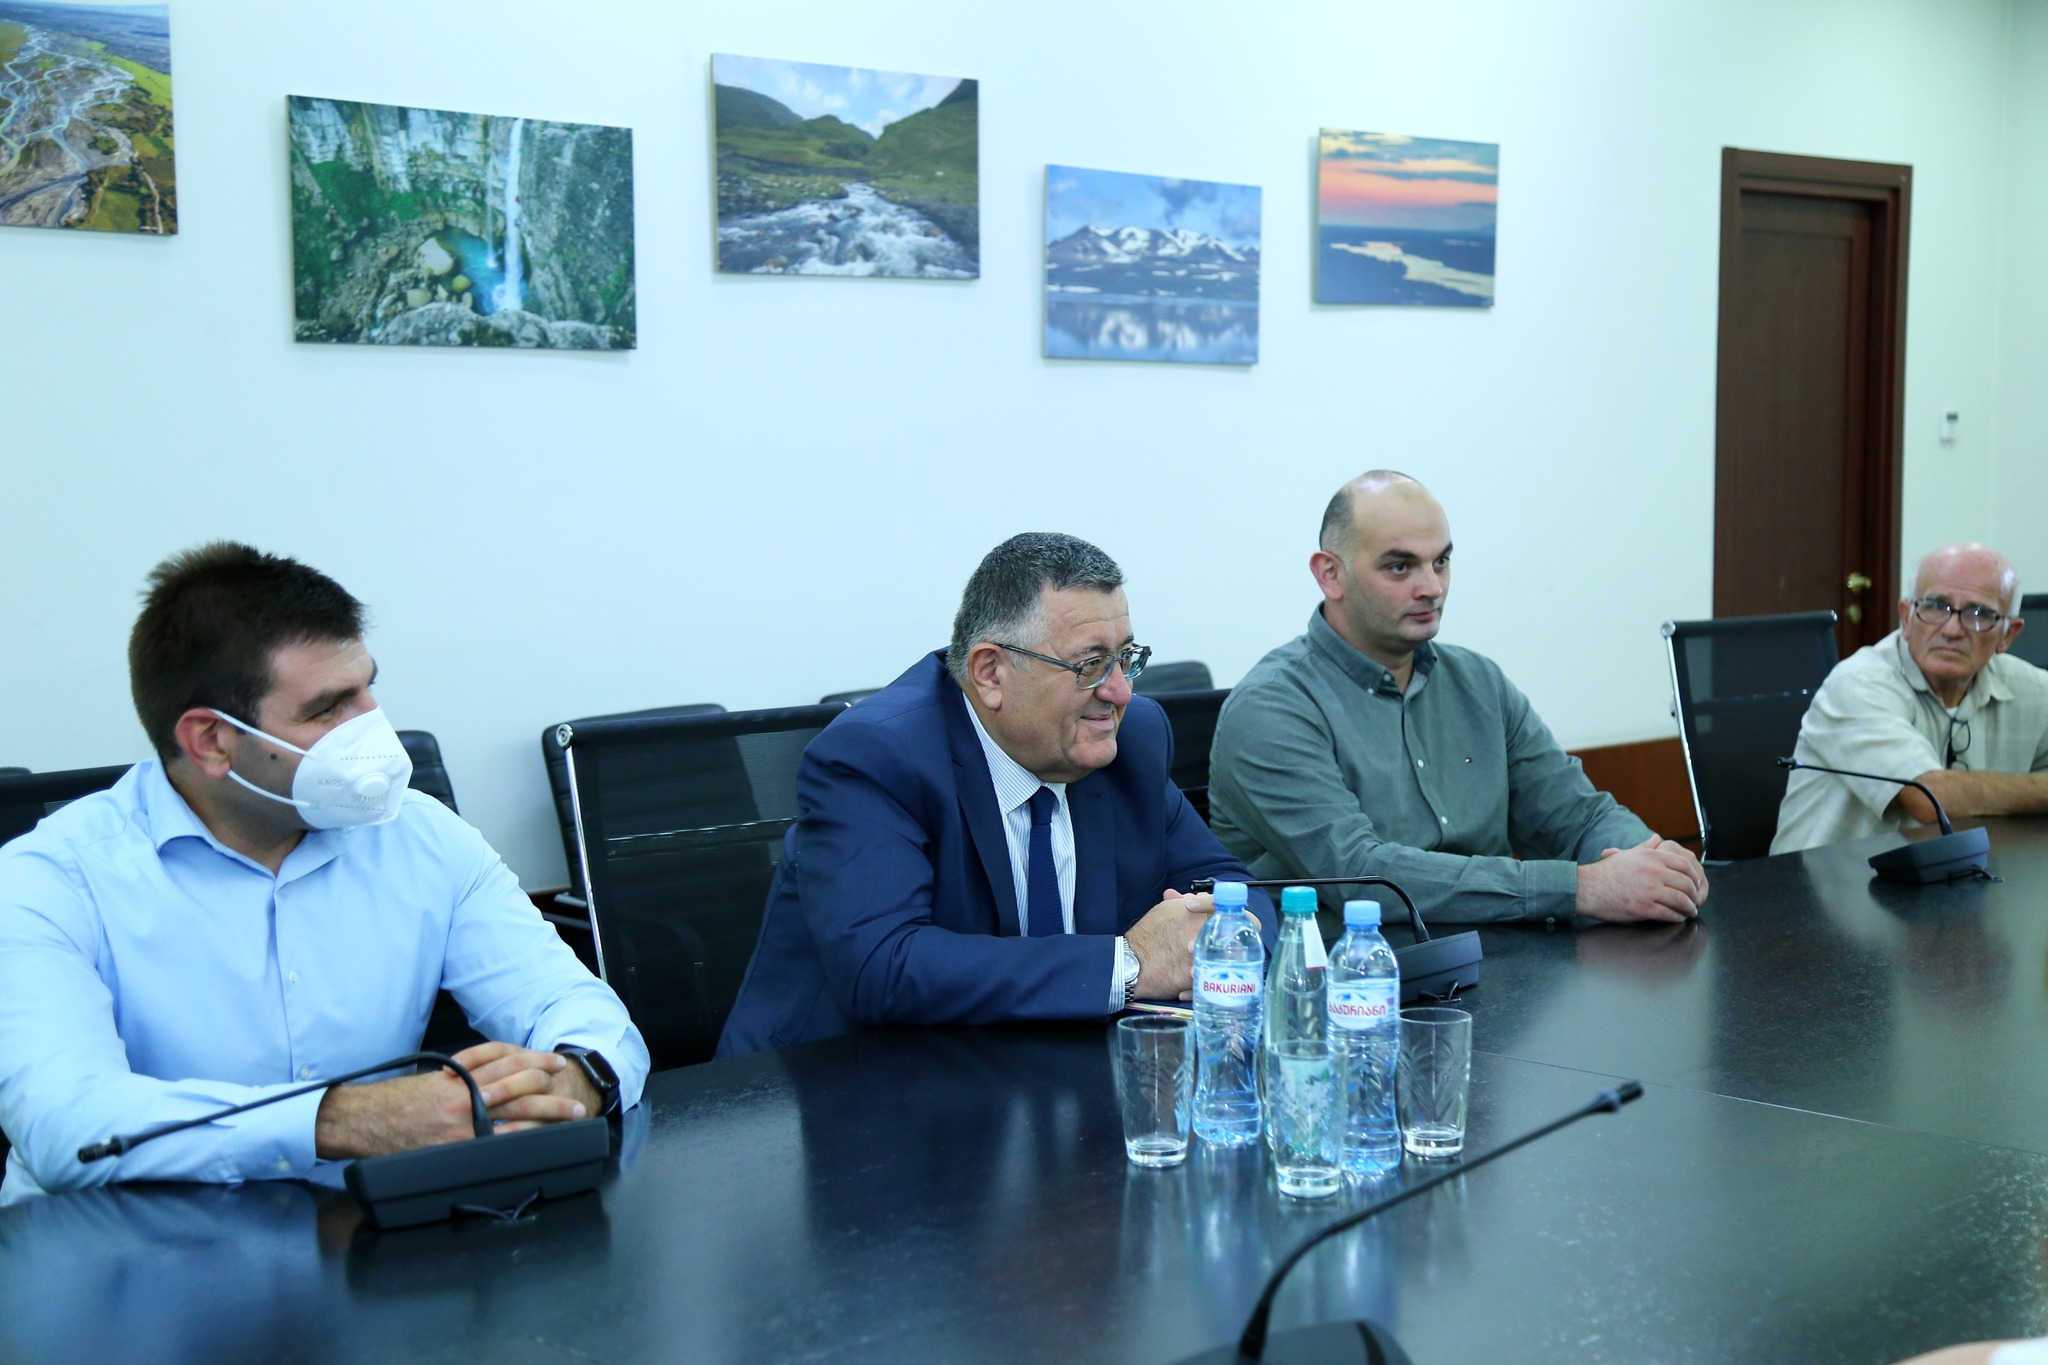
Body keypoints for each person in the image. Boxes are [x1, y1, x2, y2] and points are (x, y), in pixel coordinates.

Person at [0, 543, 648, 1200]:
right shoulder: (47, 882)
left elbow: (574, 1007)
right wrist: (342, 1119)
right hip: (120, 1245)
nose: (373, 727)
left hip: (365, 1233)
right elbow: (69, 1127)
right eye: (327, 708)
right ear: (211, 741)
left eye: (367, 687)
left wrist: (577, 1076)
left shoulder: (420, 835)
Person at [717, 532, 1274, 1058]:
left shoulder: (1129, 740)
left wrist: (1220, 939)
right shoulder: (876, 756)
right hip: (835, 1085)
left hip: (1040, 1074)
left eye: (1126, 658)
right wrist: (1129, 964)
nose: (1119, 691)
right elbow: (883, 966)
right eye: (1090, 665)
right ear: (990, 673)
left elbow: (1236, 890)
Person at [1209, 470, 1708, 927]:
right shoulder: (1270, 709)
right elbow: (1364, 877)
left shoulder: (1479, 682)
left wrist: (1655, 863)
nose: (1432, 587)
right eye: (1400, 567)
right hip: (1349, 977)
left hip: (1505, 961)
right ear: (1330, 574)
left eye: (1441, 562)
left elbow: (1578, 818)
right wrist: (1580, 888)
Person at [1773, 543, 2048, 853]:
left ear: (2008, 635)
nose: (1952, 630)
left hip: (1957, 875)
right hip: (1822, 879)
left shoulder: (2033, 691)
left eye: (1978, 614)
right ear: (1906, 617)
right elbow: (1929, 798)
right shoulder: (1857, 684)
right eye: (1936, 607)